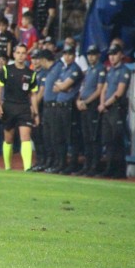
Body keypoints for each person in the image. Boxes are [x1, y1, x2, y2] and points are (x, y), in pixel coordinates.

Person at [0, 44, 39, 171]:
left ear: (26, 55)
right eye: (18, 52)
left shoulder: (31, 74)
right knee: (8, 139)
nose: (20, 55)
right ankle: (8, 167)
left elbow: (33, 95)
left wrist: (35, 113)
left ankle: (27, 167)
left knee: (26, 137)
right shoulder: (7, 70)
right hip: (9, 106)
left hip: (24, 107)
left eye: (23, 53)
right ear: (14, 54)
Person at [97, 45, 132, 178]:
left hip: (117, 108)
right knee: (108, 140)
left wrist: (105, 104)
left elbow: (119, 92)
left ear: (121, 55)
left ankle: (119, 171)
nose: (111, 57)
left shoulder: (124, 71)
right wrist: (102, 103)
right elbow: (104, 89)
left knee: (117, 140)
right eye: (110, 54)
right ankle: (109, 168)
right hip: (106, 108)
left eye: (114, 54)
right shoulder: (110, 71)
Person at [48, 45, 83, 173]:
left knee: (71, 138)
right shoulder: (64, 68)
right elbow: (55, 86)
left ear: (74, 56)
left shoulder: (75, 69)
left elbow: (63, 86)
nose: (67, 57)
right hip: (60, 105)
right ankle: (61, 163)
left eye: (70, 54)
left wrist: (63, 86)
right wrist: (62, 86)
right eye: (65, 54)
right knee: (59, 137)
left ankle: (72, 164)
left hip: (69, 107)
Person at [76, 45, 106, 175]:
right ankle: (87, 165)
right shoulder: (89, 70)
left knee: (94, 137)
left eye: (93, 54)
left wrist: (85, 102)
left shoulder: (101, 69)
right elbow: (82, 88)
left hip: (92, 106)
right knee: (86, 137)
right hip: (83, 106)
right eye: (89, 54)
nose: (91, 57)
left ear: (98, 55)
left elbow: (99, 90)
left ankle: (94, 166)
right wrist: (78, 100)